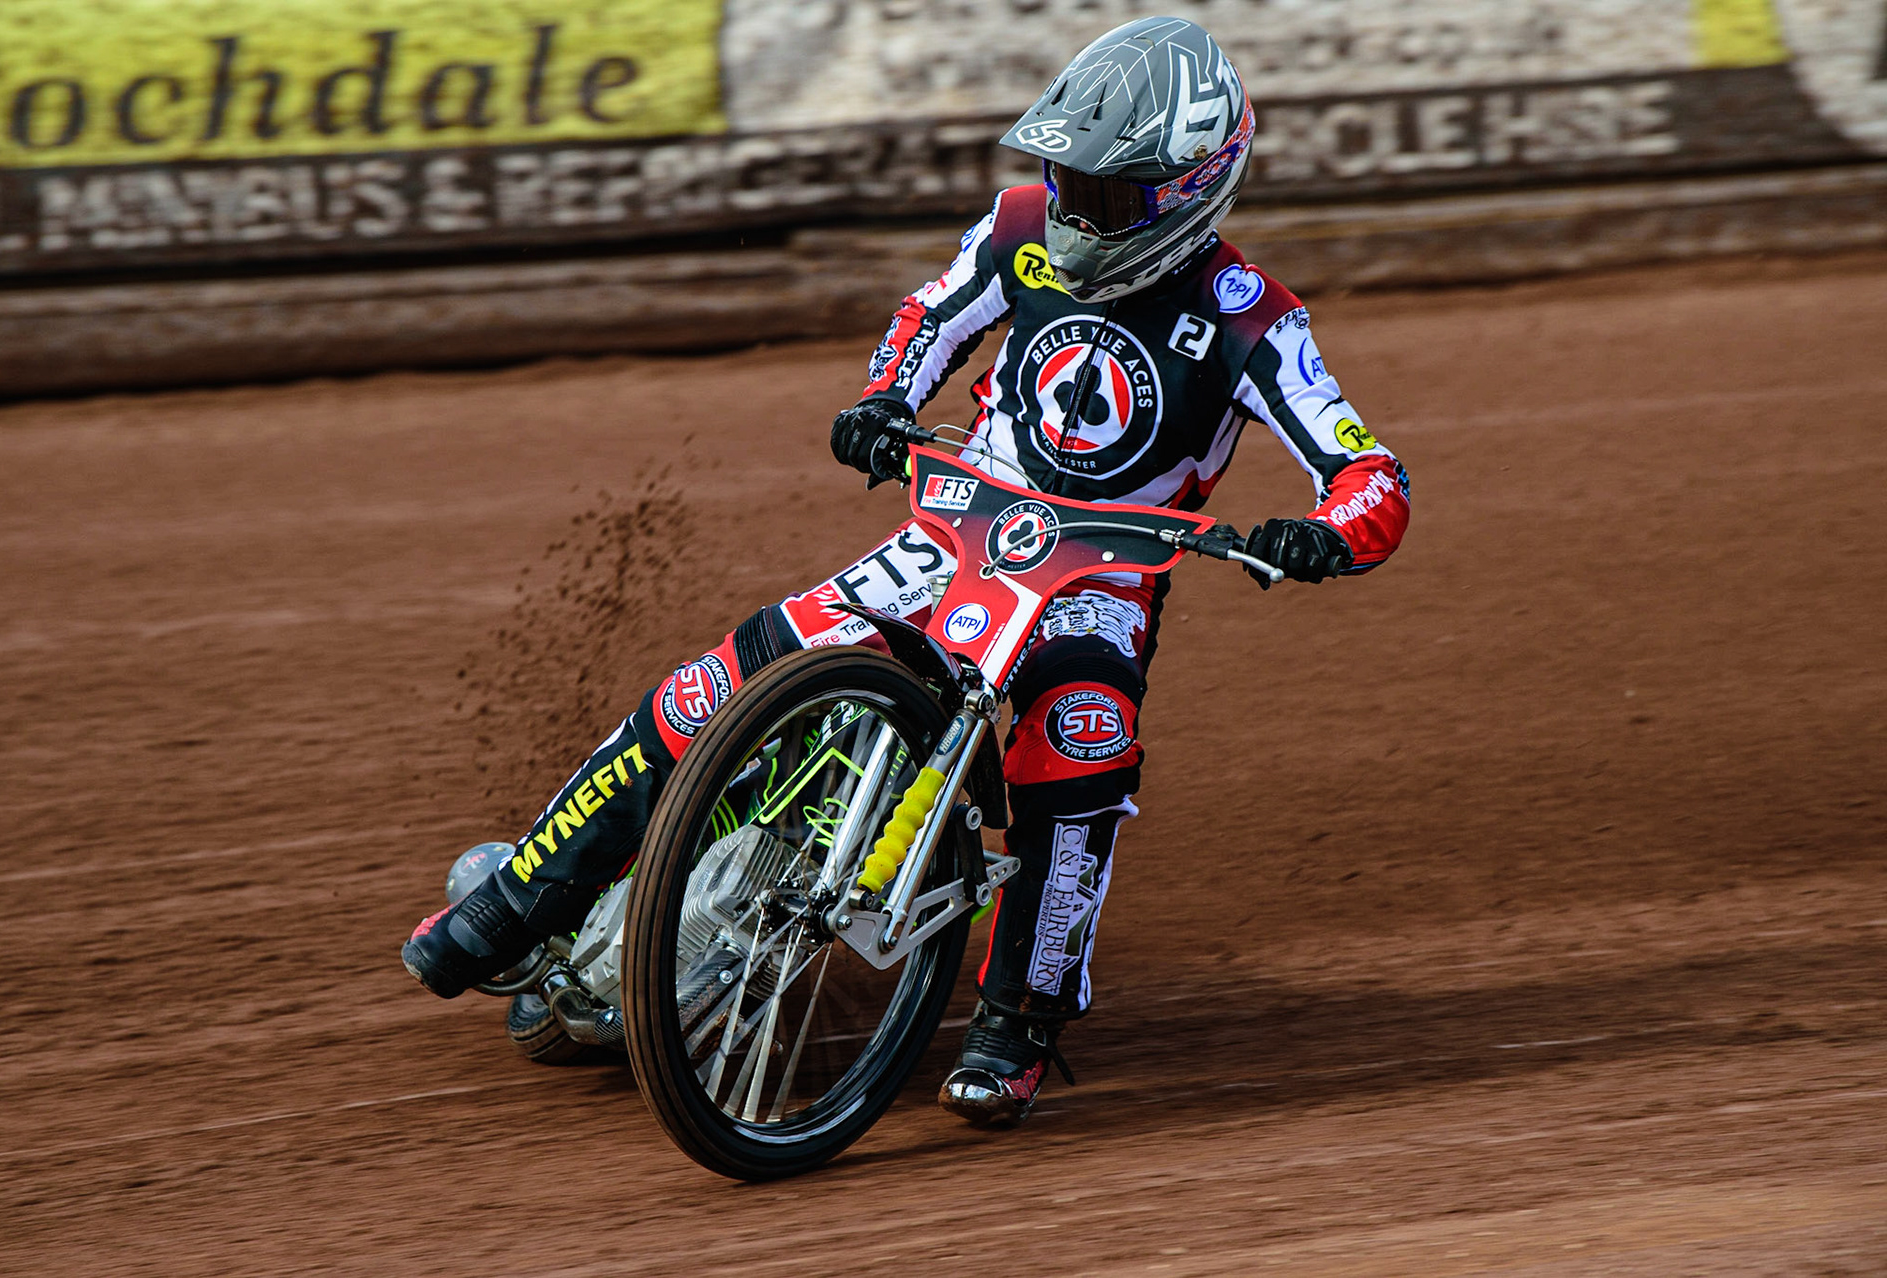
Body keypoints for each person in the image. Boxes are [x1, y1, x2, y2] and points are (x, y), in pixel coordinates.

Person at [402, 17, 1410, 1126]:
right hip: (955, 527)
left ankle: (1018, 1023)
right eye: (1061, 178)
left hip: (1102, 583)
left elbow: (1370, 472)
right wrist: (886, 399)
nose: (1073, 211)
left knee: (1077, 757)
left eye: (1104, 196)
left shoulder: (1252, 318)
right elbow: (930, 315)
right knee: (725, 678)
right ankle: (518, 900)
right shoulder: (1022, 225)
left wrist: (1324, 533)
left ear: (1189, 190)